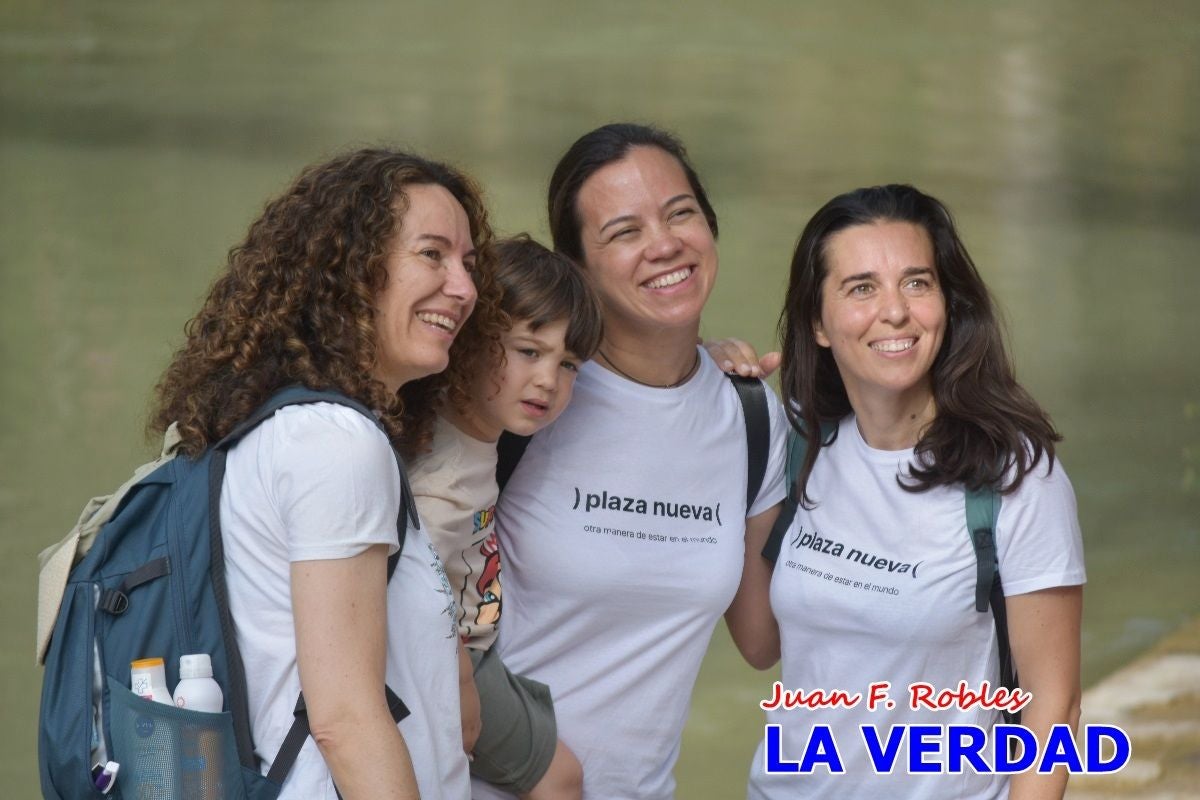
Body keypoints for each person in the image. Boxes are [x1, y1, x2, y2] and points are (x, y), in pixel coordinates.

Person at [148, 148, 493, 799]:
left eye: (468, 264)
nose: (466, 287)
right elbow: (346, 722)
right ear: (351, 270)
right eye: (432, 255)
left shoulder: (278, 427)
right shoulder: (337, 444)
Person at [471, 123, 789, 800]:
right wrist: (537, 765)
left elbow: (764, 640)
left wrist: (855, 422)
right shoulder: (528, 400)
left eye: (681, 214)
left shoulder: (755, 416)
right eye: (624, 232)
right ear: (577, 267)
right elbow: (414, 612)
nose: (665, 244)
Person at [742, 184, 1085, 799]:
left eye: (917, 283)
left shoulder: (1015, 475)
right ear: (817, 323)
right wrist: (714, 400)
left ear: (947, 305)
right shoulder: (795, 442)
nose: (895, 311)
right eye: (862, 287)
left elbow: (1052, 703)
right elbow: (760, 643)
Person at [408, 235, 603, 798]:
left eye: (568, 364)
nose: (549, 380)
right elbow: (400, 591)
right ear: (467, 339)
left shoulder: (479, 432)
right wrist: (460, 674)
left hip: (474, 647)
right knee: (561, 779)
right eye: (527, 351)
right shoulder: (433, 469)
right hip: (450, 658)